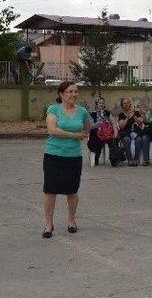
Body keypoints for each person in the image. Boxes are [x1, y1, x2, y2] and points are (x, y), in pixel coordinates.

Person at [42, 81, 91, 238]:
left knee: (72, 191)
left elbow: (87, 128)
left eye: (76, 91)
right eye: (70, 91)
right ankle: (49, 224)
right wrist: (75, 135)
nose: (73, 94)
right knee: (50, 191)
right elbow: (52, 130)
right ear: (61, 94)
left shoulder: (82, 111)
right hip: (53, 155)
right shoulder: (53, 109)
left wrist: (82, 134)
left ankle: (71, 220)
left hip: (73, 156)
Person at [87, 97, 118, 166]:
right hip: (96, 132)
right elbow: (91, 126)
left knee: (114, 140)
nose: (102, 104)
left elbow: (113, 123)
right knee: (95, 140)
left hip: (107, 133)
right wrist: (100, 123)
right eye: (100, 103)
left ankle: (113, 158)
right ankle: (95, 158)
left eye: (103, 103)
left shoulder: (107, 113)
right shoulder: (92, 114)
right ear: (96, 104)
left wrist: (115, 133)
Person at [118, 98, 142, 166]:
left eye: (128, 103)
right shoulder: (121, 115)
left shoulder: (136, 113)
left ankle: (136, 159)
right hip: (126, 134)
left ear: (130, 104)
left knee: (139, 139)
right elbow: (121, 126)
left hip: (136, 133)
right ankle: (130, 159)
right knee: (126, 139)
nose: (127, 104)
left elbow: (140, 123)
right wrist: (127, 118)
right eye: (124, 103)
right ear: (122, 106)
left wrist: (134, 116)